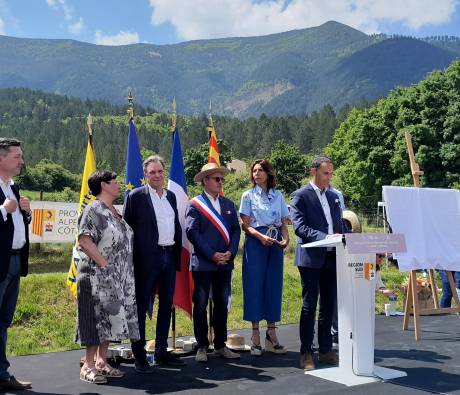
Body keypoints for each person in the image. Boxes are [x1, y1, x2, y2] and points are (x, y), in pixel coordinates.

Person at [76, 170, 139, 384]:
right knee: (94, 320)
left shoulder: (113, 210)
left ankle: (102, 361)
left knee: (110, 319)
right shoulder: (94, 209)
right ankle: (89, 366)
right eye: (115, 182)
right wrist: (105, 266)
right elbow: (84, 241)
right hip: (96, 277)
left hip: (116, 278)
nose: (119, 184)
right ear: (103, 185)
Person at [123, 155, 184, 372]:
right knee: (140, 306)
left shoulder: (172, 197)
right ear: (145, 175)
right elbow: (127, 229)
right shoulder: (135, 196)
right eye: (152, 172)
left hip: (169, 255)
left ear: (164, 172)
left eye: (160, 172)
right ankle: (139, 355)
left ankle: (161, 352)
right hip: (146, 259)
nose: (157, 176)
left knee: (166, 304)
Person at [290, 155, 344, 371]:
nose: (329, 178)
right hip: (311, 259)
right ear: (313, 171)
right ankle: (306, 352)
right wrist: (325, 237)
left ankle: (325, 349)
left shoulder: (333, 197)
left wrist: (347, 237)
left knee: (328, 306)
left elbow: (339, 224)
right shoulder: (300, 196)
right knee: (309, 305)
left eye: (331, 173)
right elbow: (300, 228)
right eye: (325, 173)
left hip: (332, 257)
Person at [185, 163, 241, 363]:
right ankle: (202, 345)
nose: (220, 182)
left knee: (221, 304)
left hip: (225, 263)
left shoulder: (228, 204)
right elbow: (193, 232)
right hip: (203, 264)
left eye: (222, 179)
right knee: (200, 304)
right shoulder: (194, 204)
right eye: (217, 179)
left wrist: (230, 252)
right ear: (205, 181)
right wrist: (212, 255)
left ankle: (220, 344)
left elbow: (236, 230)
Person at [239, 159, 289, 356]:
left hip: (275, 242)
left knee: (273, 286)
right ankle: (255, 335)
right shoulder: (248, 196)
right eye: (254, 171)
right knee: (254, 285)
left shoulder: (279, 196)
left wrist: (286, 238)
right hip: (256, 241)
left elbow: (284, 223)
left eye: (260, 170)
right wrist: (260, 236)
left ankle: (271, 333)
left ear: (268, 173)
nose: (256, 174)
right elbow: (245, 225)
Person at [0, 138, 32, 391]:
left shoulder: (13, 187)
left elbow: (15, 225)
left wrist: (25, 212)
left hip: (14, 262)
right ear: (1, 158)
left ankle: (2, 374)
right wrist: (3, 210)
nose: (22, 161)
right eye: (17, 156)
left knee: (3, 322)